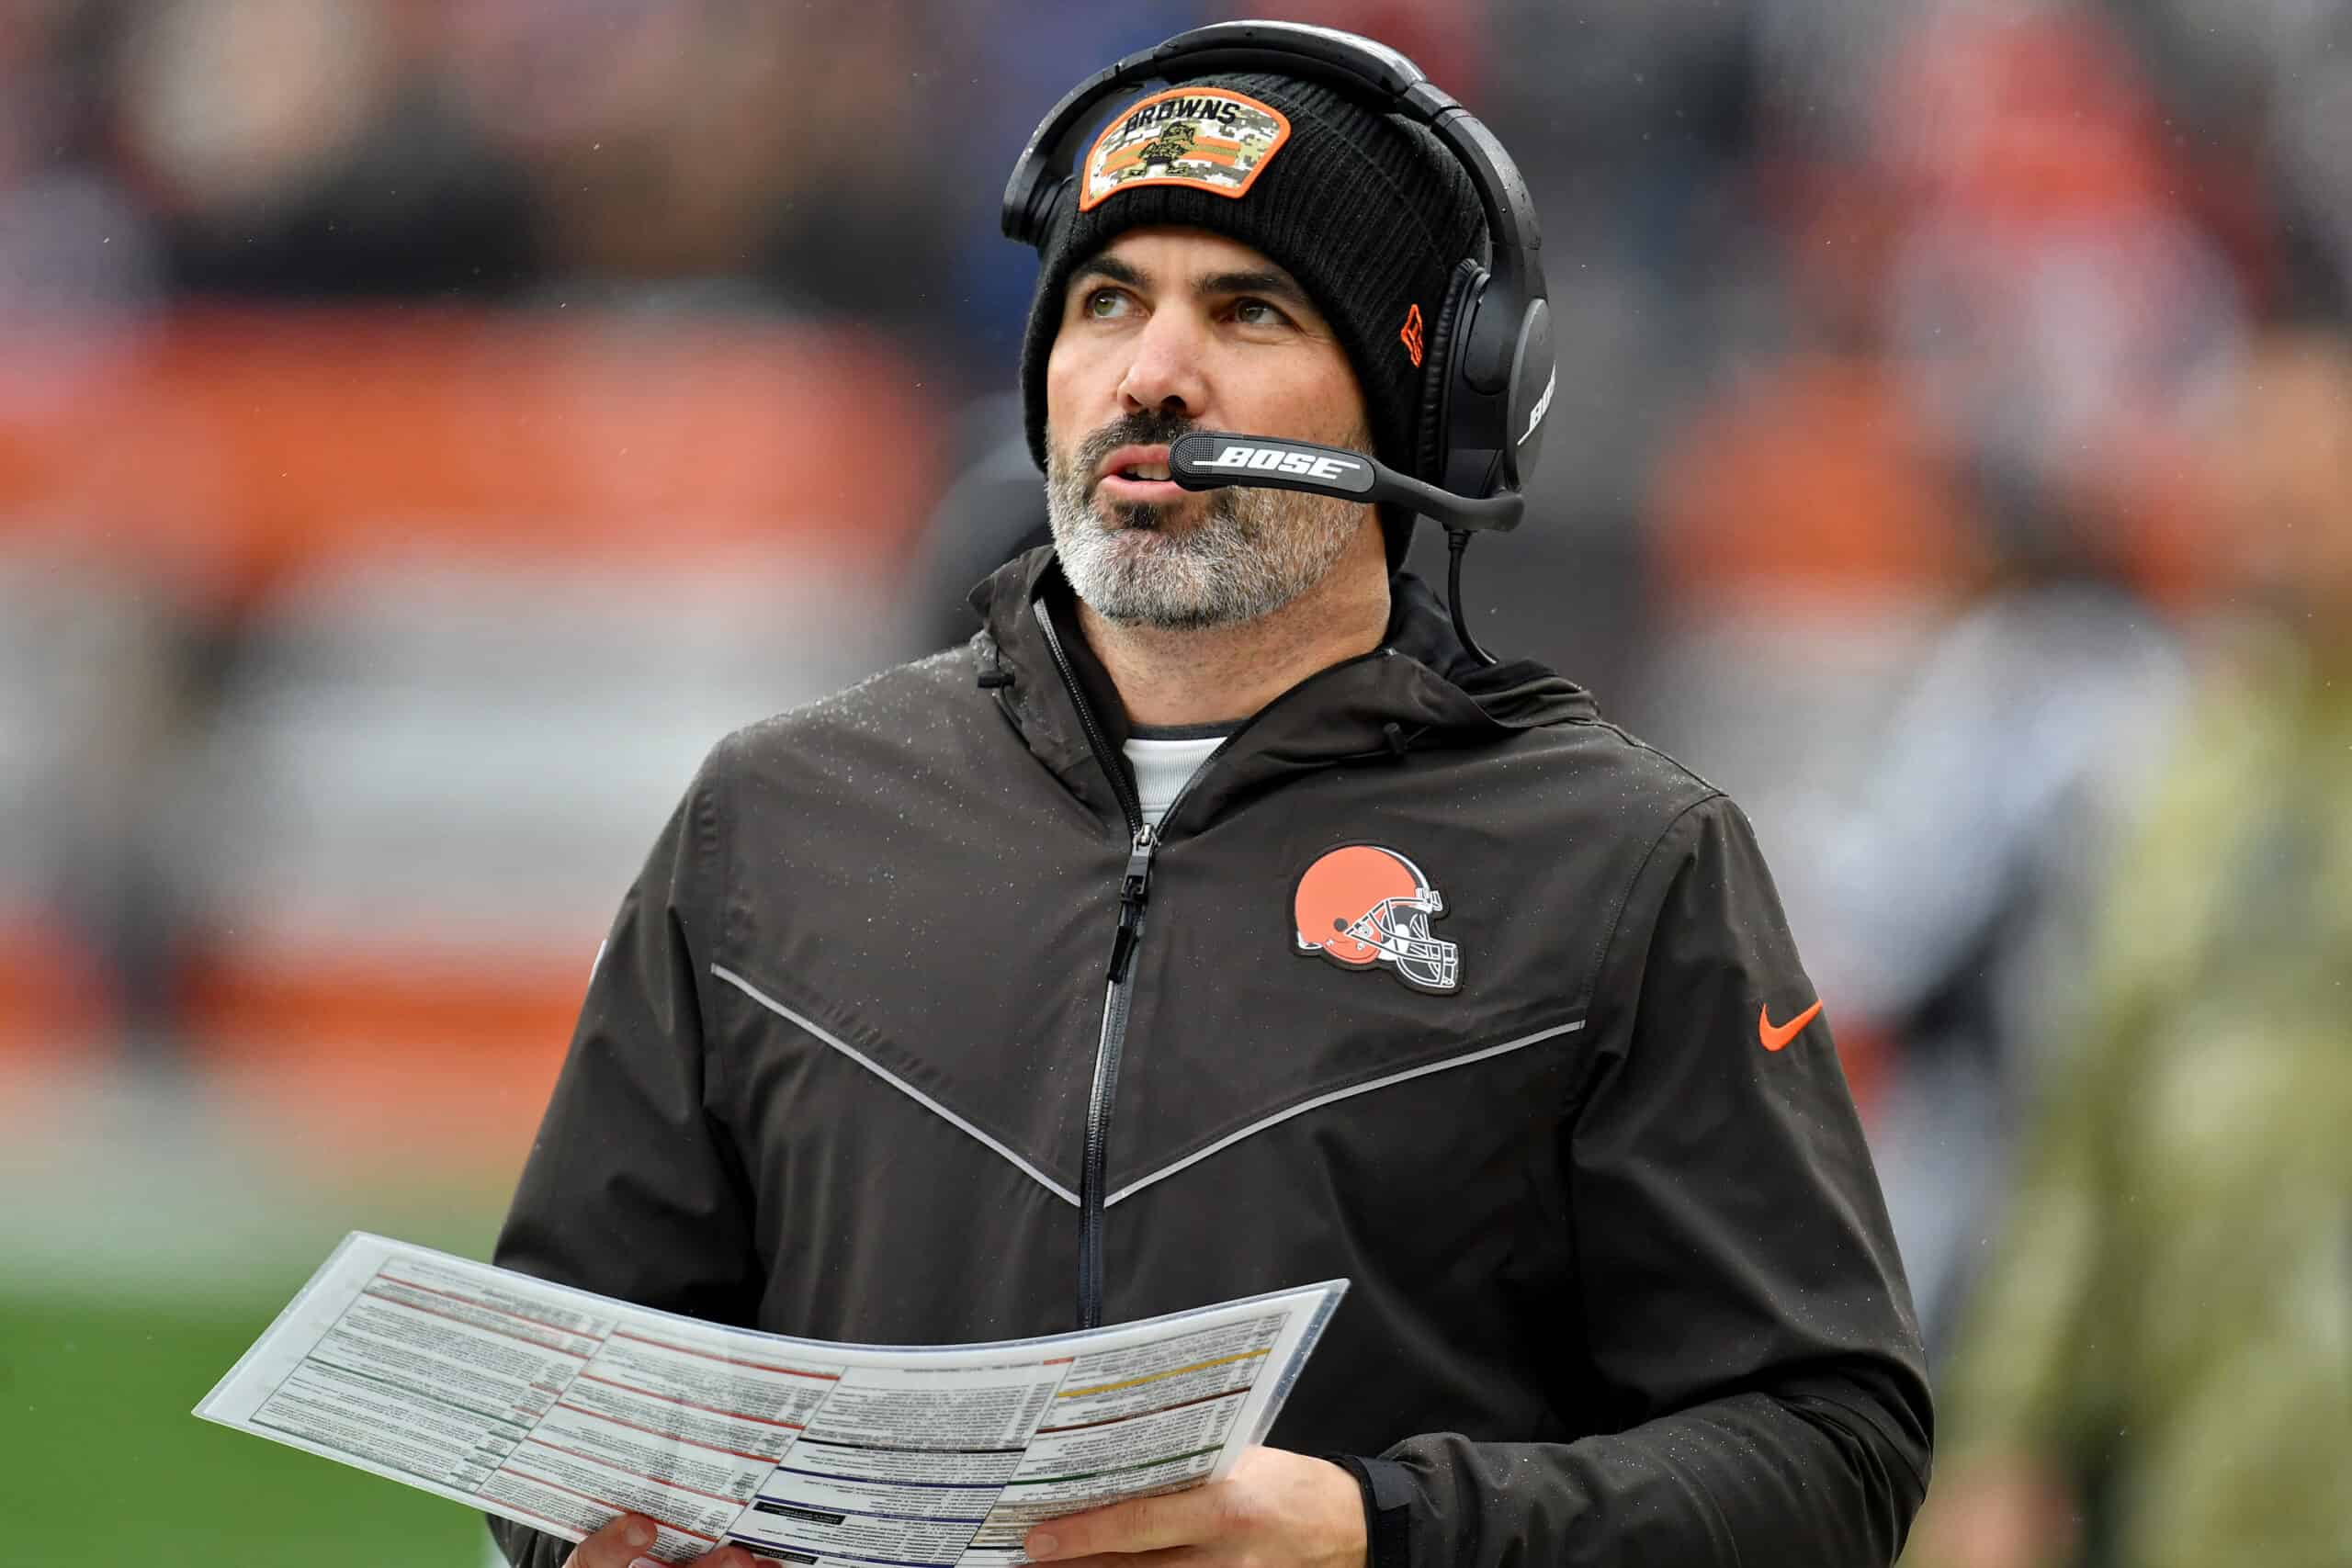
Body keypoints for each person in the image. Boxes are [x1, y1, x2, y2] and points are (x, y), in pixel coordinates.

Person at [490, 25, 1931, 1568]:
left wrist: (1376, 1534)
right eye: (1108, 301)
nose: (1152, 374)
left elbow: (1825, 1455)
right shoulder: (771, 825)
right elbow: (557, 1425)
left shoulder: (1621, 867)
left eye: (1247, 309)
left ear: (1423, 405)